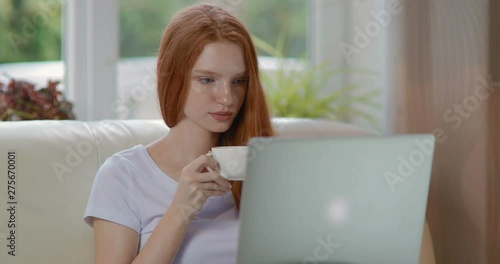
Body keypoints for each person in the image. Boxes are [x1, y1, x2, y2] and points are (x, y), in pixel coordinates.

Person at [83, 3, 274, 264]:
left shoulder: (266, 164)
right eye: (207, 80)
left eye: (238, 81)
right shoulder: (122, 175)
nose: (227, 98)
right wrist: (181, 210)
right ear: (172, 77)